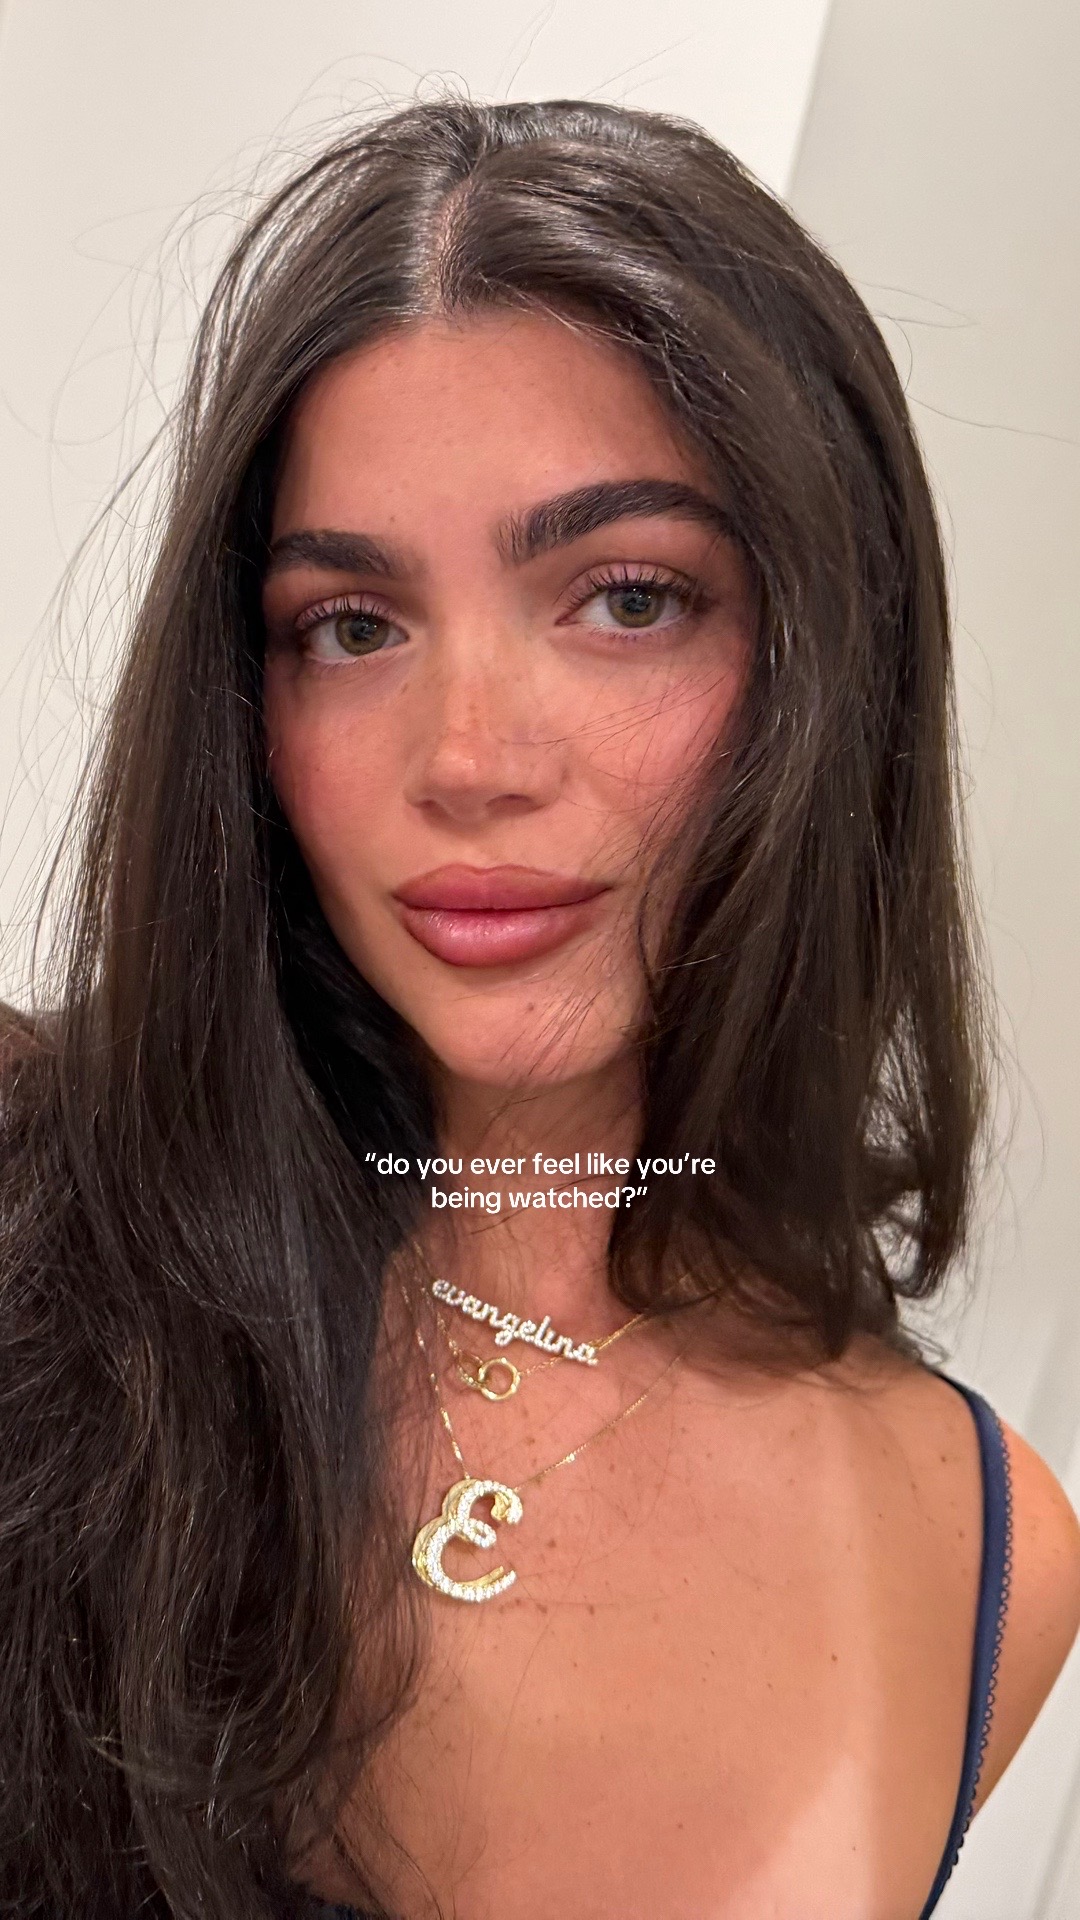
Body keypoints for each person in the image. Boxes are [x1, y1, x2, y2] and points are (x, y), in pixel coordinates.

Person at [0, 96, 1077, 1920]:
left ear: (830, 660)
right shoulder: (36, 1214)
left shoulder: (992, 1552)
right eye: (352, 625)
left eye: (627, 599)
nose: (471, 759)